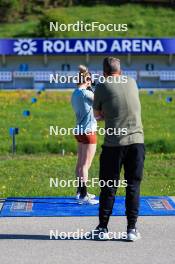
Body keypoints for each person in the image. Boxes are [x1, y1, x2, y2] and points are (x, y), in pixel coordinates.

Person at [91, 57, 145, 241]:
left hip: (114, 146)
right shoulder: (132, 82)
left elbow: (97, 115)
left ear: (104, 72)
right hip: (137, 142)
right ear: (120, 71)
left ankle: (102, 228)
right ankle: (131, 229)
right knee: (133, 186)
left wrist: (107, 113)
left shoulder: (102, 85)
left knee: (108, 187)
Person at [71, 65, 99, 205]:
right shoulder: (86, 94)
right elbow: (100, 104)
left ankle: (79, 192)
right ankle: (83, 195)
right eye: (90, 80)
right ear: (87, 80)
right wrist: (93, 89)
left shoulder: (75, 93)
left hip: (79, 130)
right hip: (89, 131)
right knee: (85, 165)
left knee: (80, 163)